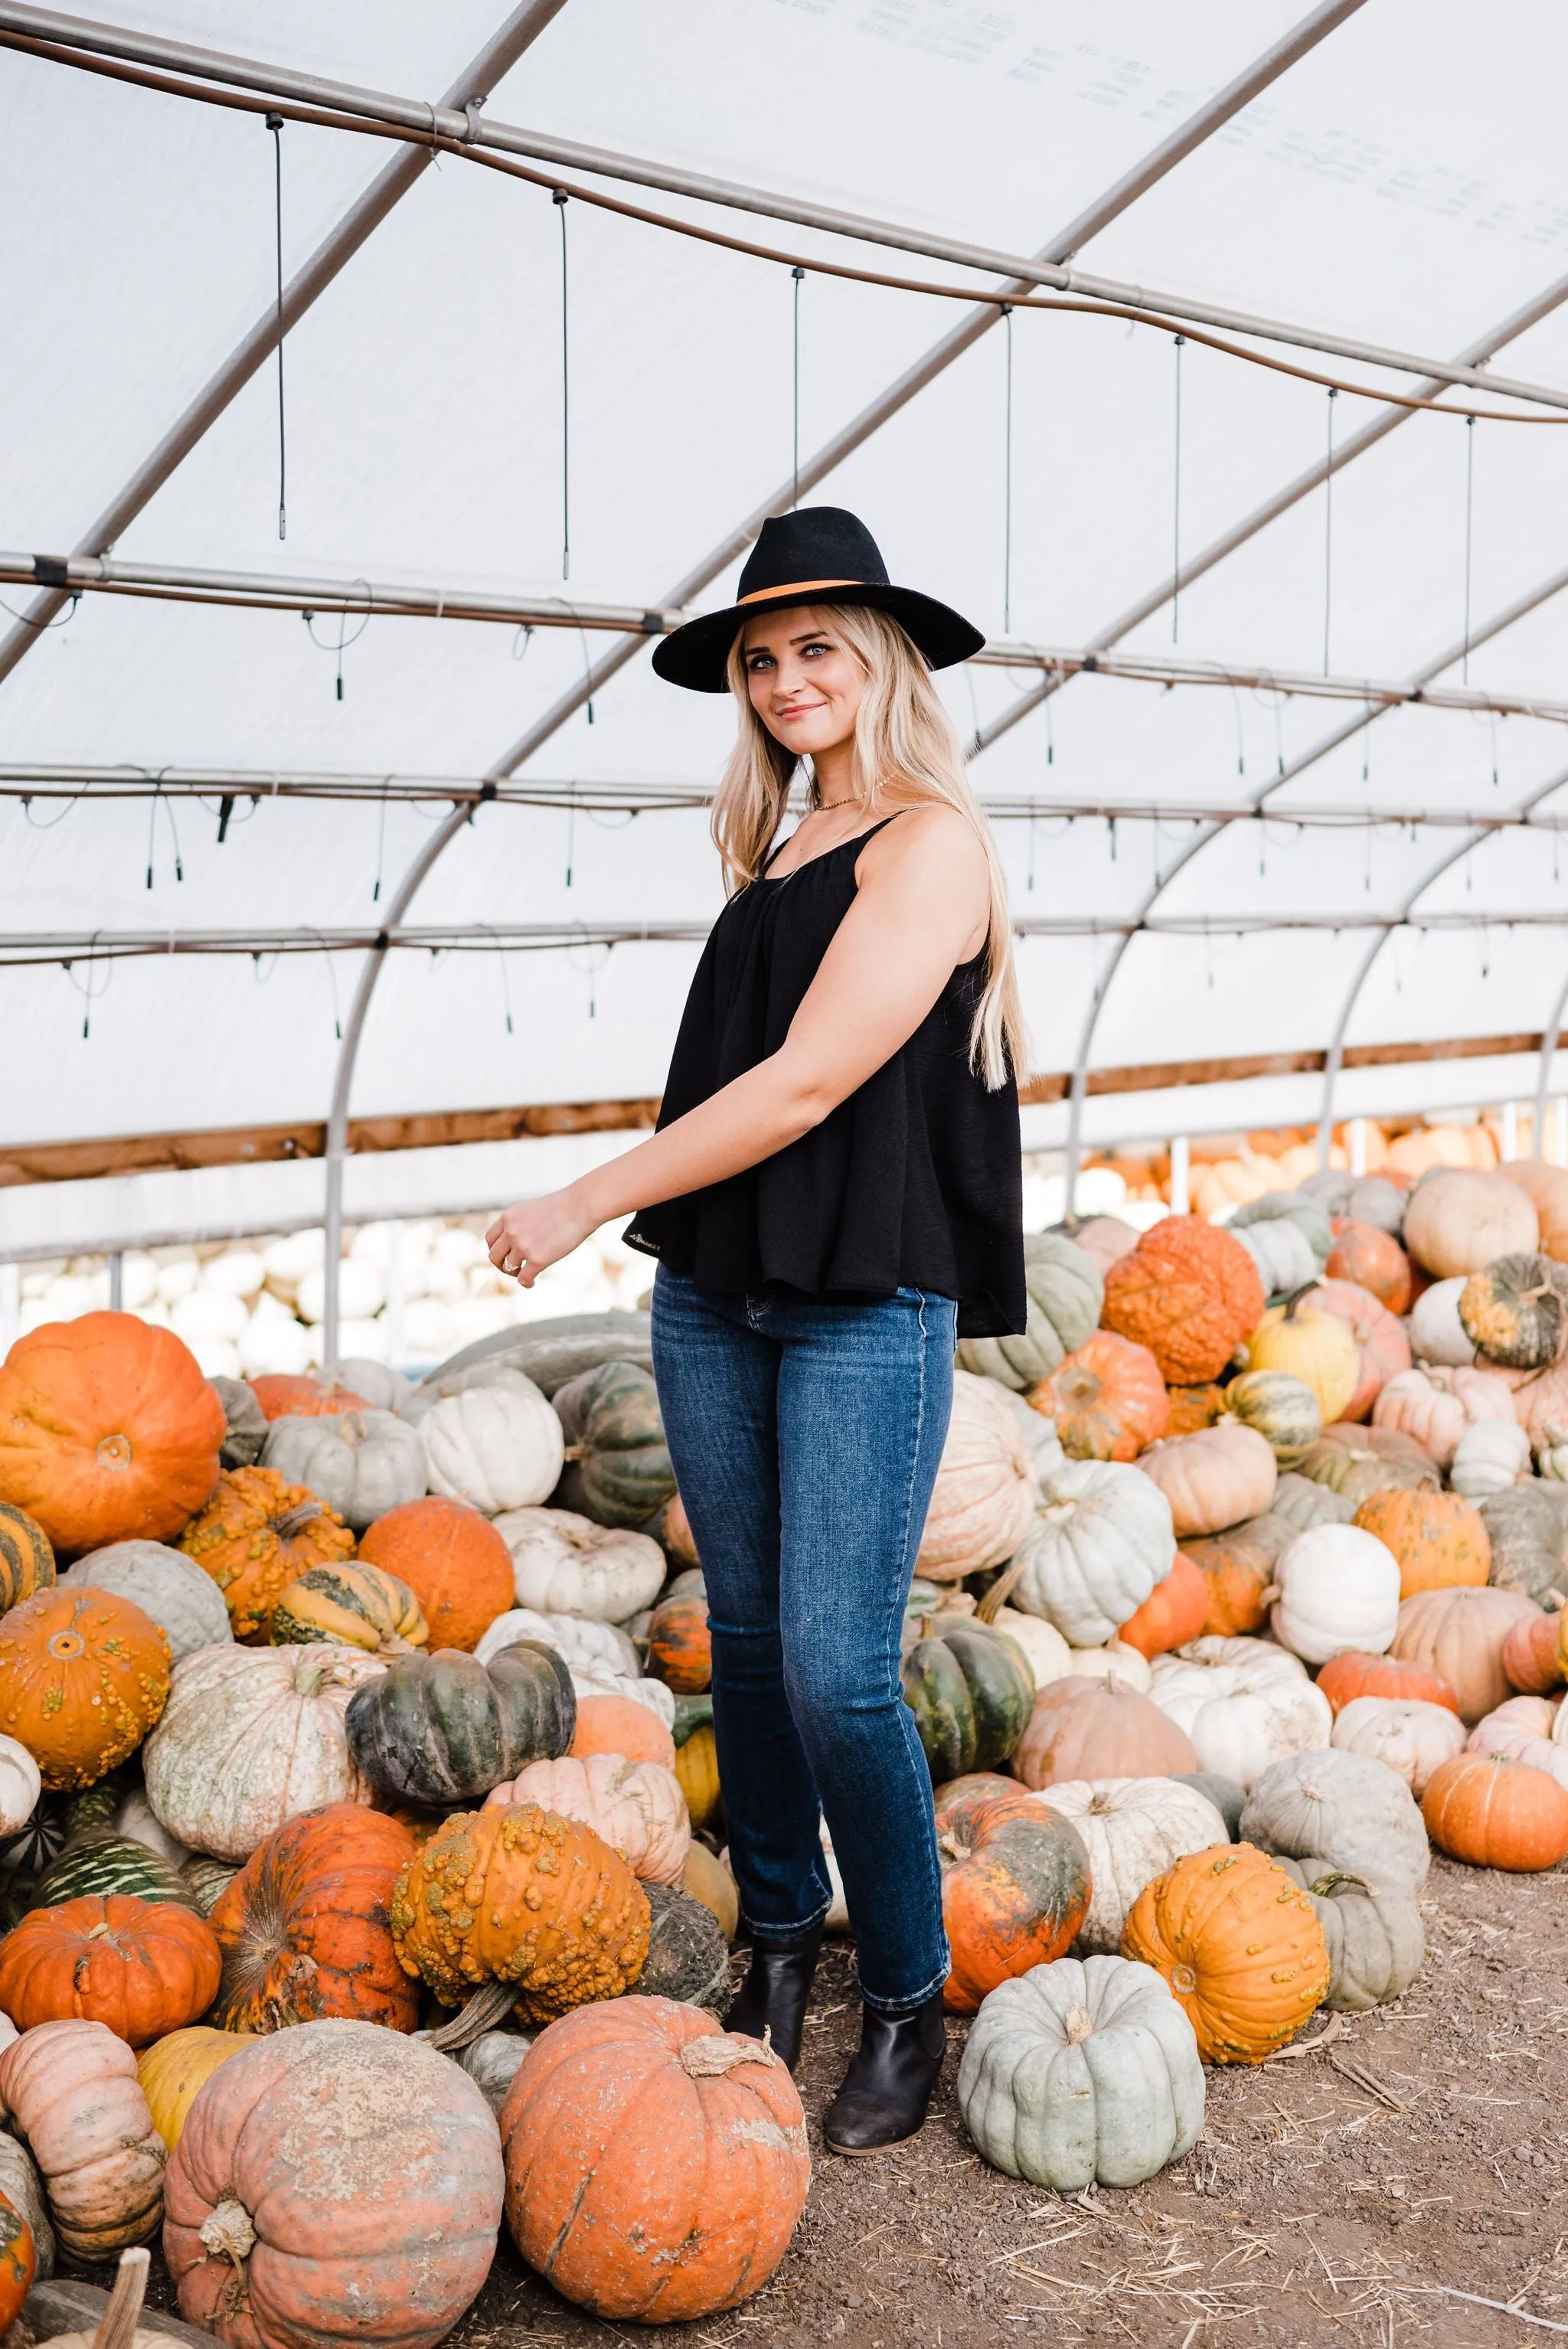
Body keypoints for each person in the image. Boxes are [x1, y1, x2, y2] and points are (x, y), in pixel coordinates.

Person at [485, 506, 1027, 2153]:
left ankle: (907, 1993)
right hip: (719, 1288)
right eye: (762, 657)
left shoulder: (928, 843)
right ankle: (782, 1948)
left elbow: (801, 1085)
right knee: (749, 1647)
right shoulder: (778, 845)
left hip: (865, 1298)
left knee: (844, 1670)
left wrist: (580, 1199)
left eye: (818, 649)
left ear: (881, 660)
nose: (789, 679)